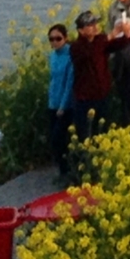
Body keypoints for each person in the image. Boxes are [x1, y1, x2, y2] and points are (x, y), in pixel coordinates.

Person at [68, 11, 115, 146]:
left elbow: (116, 45)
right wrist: (109, 36)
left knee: (104, 133)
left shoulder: (100, 41)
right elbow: (92, 54)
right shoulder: (76, 47)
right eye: (90, 25)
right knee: (86, 135)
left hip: (102, 95)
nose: (95, 27)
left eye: (95, 23)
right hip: (85, 99)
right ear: (81, 31)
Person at [44, 22, 75, 182]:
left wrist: (63, 106)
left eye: (58, 38)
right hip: (53, 103)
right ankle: (62, 171)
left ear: (65, 38)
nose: (55, 42)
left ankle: (68, 171)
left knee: (60, 138)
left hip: (65, 106)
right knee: (54, 140)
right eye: (51, 39)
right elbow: (53, 80)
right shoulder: (52, 56)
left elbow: (69, 82)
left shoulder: (70, 55)